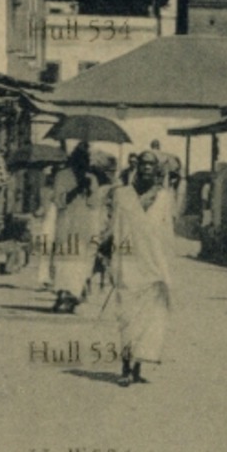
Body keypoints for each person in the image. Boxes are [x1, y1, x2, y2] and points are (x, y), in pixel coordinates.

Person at [89, 145, 176, 387]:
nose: (147, 168)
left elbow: (168, 233)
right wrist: (104, 251)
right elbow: (114, 227)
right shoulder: (122, 194)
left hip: (155, 264)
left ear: (157, 169)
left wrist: (167, 266)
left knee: (150, 318)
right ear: (136, 167)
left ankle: (138, 366)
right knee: (128, 318)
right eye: (143, 163)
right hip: (127, 264)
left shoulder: (165, 198)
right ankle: (125, 367)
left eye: (151, 164)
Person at [50, 149, 108, 312]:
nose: (83, 162)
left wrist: (89, 190)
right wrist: (76, 189)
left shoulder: (92, 178)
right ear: (73, 159)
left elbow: (95, 204)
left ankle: (74, 296)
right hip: (66, 225)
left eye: (86, 159)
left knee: (81, 263)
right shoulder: (62, 176)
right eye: (80, 158)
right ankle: (62, 294)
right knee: (64, 262)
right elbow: (59, 201)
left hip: (84, 226)